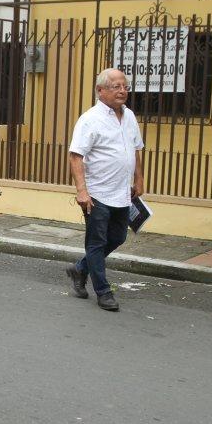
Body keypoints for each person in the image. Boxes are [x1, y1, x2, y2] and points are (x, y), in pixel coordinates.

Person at [64, 67, 145, 312]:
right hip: (97, 193)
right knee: (96, 242)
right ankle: (103, 291)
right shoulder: (90, 119)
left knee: (118, 237)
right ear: (100, 91)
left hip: (122, 193)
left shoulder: (129, 116)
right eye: (116, 86)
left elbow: (136, 149)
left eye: (125, 86)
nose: (122, 91)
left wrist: (139, 179)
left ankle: (80, 269)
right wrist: (82, 191)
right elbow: (75, 156)